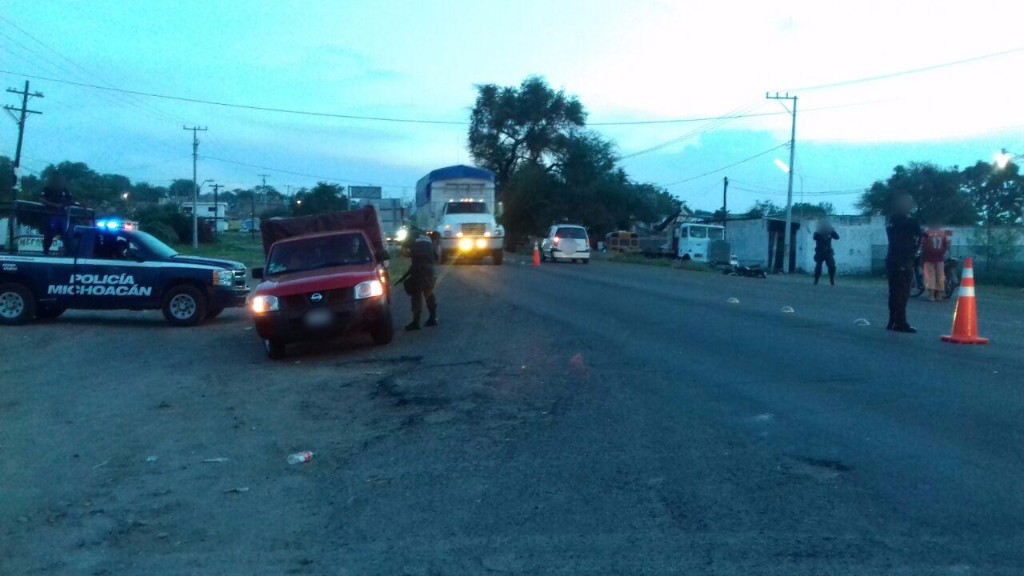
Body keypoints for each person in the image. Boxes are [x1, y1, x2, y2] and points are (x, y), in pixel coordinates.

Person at [885, 193, 923, 333]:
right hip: (903, 260)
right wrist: (914, 252)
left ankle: (892, 321)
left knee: (894, 292)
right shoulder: (908, 222)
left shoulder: (890, 220)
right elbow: (920, 236)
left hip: (892, 259)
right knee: (902, 293)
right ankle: (900, 322)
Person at [395, 233, 437, 331]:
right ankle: (433, 317)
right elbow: (435, 255)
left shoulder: (410, 236)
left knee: (416, 294)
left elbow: (403, 252)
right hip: (430, 268)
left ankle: (416, 322)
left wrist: (412, 255)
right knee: (428, 292)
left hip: (418, 268)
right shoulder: (427, 237)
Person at [40, 174, 74, 255]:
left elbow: (70, 200)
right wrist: (54, 205)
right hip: (50, 215)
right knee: (48, 236)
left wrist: (66, 204)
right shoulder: (47, 189)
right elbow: (41, 199)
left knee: (67, 234)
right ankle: (45, 252)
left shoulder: (65, 190)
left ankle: (68, 252)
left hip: (62, 215)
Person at [920, 221, 951, 302]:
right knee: (940, 276)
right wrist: (943, 251)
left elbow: (922, 244)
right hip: (940, 257)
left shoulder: (926, 233)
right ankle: (939, 295)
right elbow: (947, 245)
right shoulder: (943, 233)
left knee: (930, 276)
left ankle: (931, 295)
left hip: (928, 258)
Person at [812, 221, 840, 285]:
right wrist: (820, 232)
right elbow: (815, 237)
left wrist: (833, 231)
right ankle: (816, 280)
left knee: (832, 266)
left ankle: (832, 280)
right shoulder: (818, 233)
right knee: (818, 267)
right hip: (820, 252)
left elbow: (837, 237)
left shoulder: (830, 233)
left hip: (828, 252)